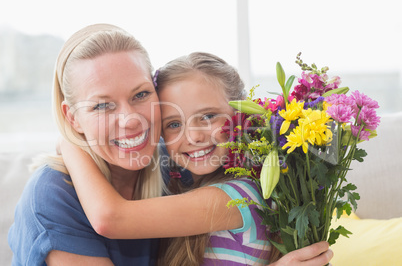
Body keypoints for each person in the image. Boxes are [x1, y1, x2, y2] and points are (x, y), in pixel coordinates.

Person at [60, 52, 334, 265]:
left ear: (242, 114)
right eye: (173, 124)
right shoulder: (194, 185)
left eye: (208, 116)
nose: (193, 136)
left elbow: (112, 219)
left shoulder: (236, 197)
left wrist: (71, 144)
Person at [8, 24, 165, 265]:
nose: (130, 120)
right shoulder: (52, 193)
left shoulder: (177, 166)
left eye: (141, 94)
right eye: (102, 105)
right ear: (72, 118)